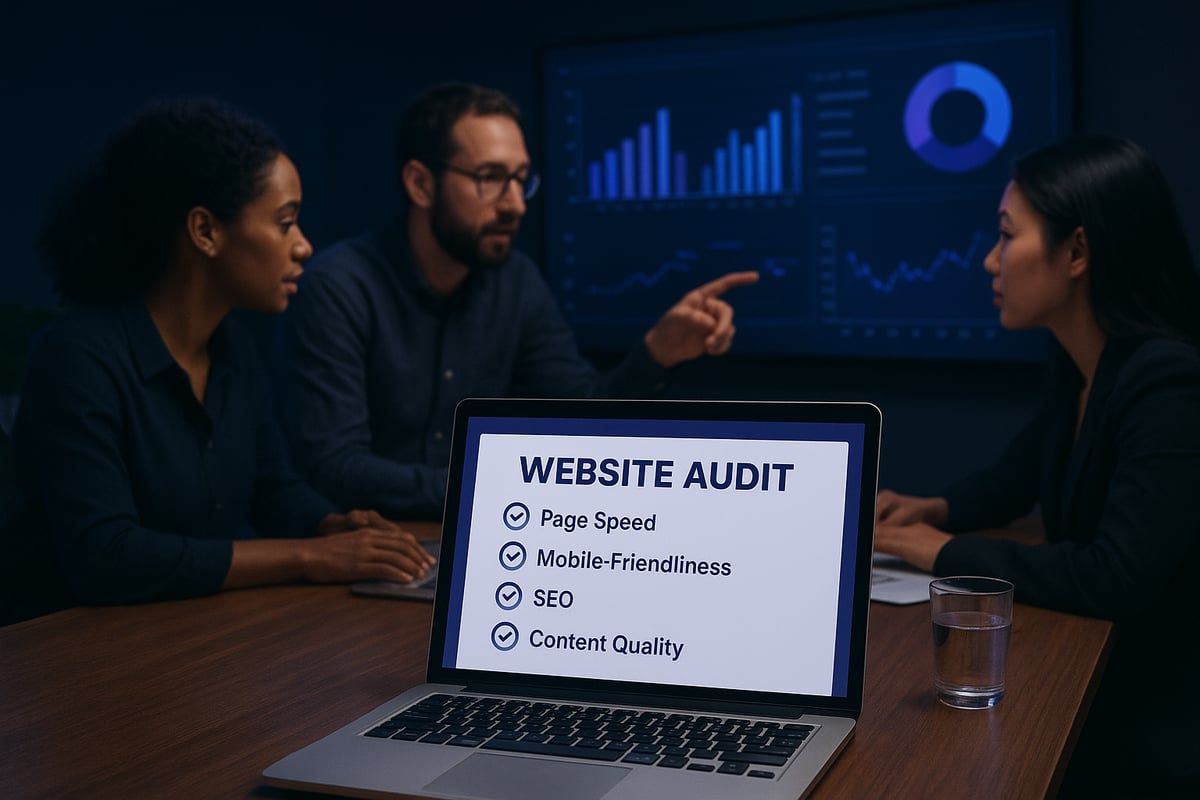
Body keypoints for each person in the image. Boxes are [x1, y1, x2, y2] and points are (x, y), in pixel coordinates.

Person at [7, 99, 435, 620]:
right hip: (72, 661)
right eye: (285, 223)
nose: (304, 246)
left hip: (186, 635)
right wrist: (308, 555)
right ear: (205, 231)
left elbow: (272, 490)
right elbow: (107, 556)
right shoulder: (76, 357)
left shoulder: (231, 345)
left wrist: (331, 527)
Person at [874, 135, 1200, 796]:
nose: (991, 261)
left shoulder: (1169, 382)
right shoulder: (1083, 364)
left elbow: (1115, 575)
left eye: (1005, 236)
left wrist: (941, 551)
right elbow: (1016, 477)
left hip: (1157, 725)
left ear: (1077, 250)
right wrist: (930, 510)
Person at [283, 83, 759, 519]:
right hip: (361, 557)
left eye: (522, 179)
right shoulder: (340, 287)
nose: (515, 205)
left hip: (485, 540)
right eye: (490, 178)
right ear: (420, 184)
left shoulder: (516, 282)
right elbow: (335, 467)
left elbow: (582, 414)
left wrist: (659, 352)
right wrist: (493, 491)